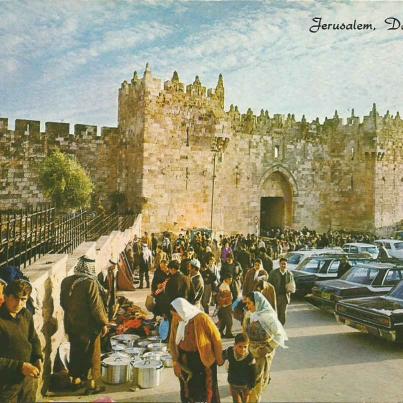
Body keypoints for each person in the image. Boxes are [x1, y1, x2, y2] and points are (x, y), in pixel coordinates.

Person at [60, 255, 108, 394]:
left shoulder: (66, 281)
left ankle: (75, 381)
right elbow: (96, 308)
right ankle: (91, 385)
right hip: (89, 328)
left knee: (76, 353)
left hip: (72, 325)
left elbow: (63, 303)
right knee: (92, 356)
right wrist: (104, 323)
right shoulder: (90, 283)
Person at [169, 298, 223, 403]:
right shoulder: (177, 320)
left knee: (208, 390)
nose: (175, 317)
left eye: (176, 314)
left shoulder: (202, 318)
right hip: (185, 359)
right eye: (173, 315)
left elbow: (216, 338)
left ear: (183, 311)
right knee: (188, 389)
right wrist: (175, 360)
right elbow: (172, 340)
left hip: (203, 360)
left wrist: (219, 358)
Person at [0, 280, 43, 403]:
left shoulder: (26, 314)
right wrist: (20, 367)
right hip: (6, 384)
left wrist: (37, 358)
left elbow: (33, 339)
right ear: (6, 296)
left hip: (28, 380)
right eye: (15, 298)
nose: (19, 303)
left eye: (23, 299)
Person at [243, 292, 287, 403]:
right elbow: (245, 331)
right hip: (250, 351)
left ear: (257, 303)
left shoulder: (268, 317)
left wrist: (266, 349)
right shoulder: (250, 314)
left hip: (262, 355)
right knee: (248, 383)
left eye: (249, 303)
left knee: (257, 384)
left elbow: (279, 335)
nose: (247, 306)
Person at [223, 333, 256, 403]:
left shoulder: (250, 358)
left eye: (245, 347)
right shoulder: (230, 352)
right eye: (240, 346)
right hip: (233, 384)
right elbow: (221, 356)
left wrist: (251, 387)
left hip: (245, 386)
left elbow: (253, 373)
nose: (243, 349)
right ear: (235, 345)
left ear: (248, 346)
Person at [268, 257, 295, 325]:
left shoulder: (289, 274)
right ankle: (275, 327)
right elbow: (269, 285)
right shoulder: (273, 273)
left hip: (285, 297)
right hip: (275, 296)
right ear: (279, 264)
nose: (283, 265)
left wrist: (291, 289)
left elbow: (292, 285)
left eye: (285, 264)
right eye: (282, 264)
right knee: (275, 313)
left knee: (283, 314)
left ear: (287, 264)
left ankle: (281, 328)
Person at [217, 273, 234, 338]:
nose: (231, 281)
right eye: (230, 279)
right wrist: (231, 296)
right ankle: (228, 333)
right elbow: (224, 297)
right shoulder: (223, 286)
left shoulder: (225, 285)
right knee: (229, 321)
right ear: (226, 279)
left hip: (224, 306)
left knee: (223, 320)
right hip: (225, 306)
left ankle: (220, 332)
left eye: (231, 279)